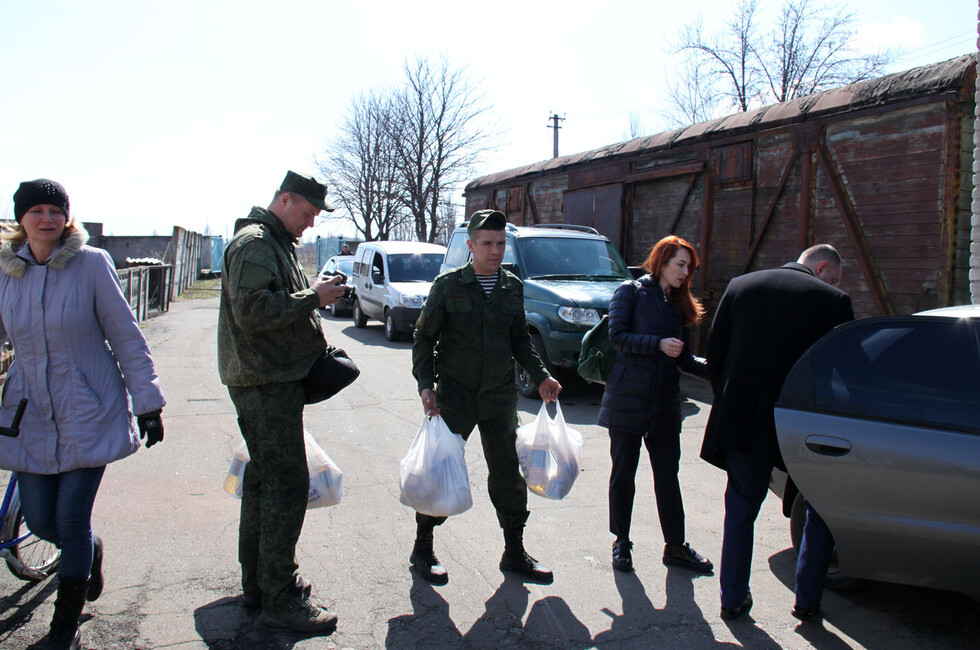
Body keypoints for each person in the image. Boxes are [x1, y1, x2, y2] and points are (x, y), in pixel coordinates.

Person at [0, 179, 166, 650]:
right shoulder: (5, 272)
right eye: (37, 210)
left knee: (69, 520)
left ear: (67, 217)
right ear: (22, 218)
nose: (47, 219)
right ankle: (90, 553)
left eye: (56, 210)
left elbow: (127, 337)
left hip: (89, 408)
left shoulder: (92, 264)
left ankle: (64, 626)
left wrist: (148, 403)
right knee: (42, 520)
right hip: (29, 412)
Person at [217, 171, 346, 634]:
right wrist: (314, 296)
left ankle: (260, 585)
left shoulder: (274, 243)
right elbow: (252, 311)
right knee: (286, 486)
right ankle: (278, 597)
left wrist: (311, 297)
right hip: (264, 382)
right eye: (307, 213)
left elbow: (272, 301)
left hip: (270, 380)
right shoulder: (255, 244)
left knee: (264, 484)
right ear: (284, 199)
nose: (310, 224)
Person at [700, 244, 854, 620]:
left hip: (744, 421)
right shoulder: (834, 300)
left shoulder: (741, 286)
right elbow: (843, 372)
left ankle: (732, 598)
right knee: (818, 509)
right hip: (804, 427)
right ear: (821, 267)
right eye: (833, 276)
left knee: (740, 510)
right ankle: (807, 601)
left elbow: (714, 355)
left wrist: (731, 401)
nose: (833, 283)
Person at [411, 209, 562, 586]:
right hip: (455, 397)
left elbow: (520, 341)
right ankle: (423, 546)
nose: (495, 251)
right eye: (487, 244)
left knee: (509, 474)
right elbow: (424, 337)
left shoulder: (512, 285)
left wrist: (542, 375)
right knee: (440, 469)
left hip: (498, 397)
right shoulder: (448, 285)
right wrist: (426, 386)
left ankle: (514, 552)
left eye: (500, 243)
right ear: (471, 245)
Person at [597, 235, 713, 575]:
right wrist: (657, 343)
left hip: (664, 404)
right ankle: (621, 542)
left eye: (689, 267)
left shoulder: (681, 303)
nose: (685, 272)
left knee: (668, 477)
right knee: (623, 475)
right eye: (680, 264)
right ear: (662, 262)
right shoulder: (630, 291)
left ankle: (675, 546)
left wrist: (721, 372)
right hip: (627, 400)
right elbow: (617, 336)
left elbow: (686, 358)